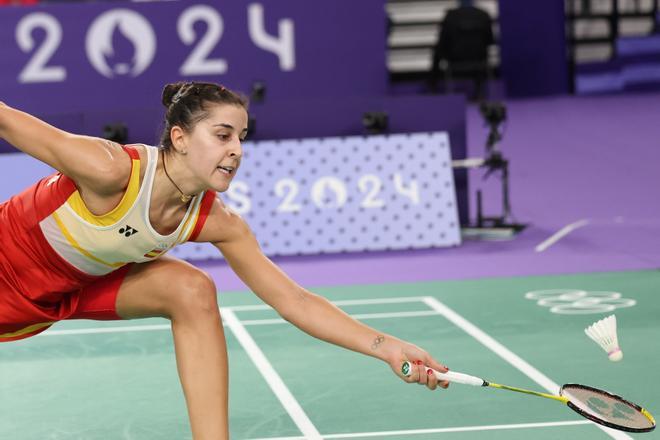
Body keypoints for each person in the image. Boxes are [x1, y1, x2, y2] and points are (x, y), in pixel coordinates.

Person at [0, 81, 449, 439]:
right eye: (222, 135)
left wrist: (385, 346)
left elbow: (294, 300)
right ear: (179, 138)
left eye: (241, 137)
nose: (236, 149)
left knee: (192, 289)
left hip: (64, 290)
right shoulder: (110, 169)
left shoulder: (217, 220)